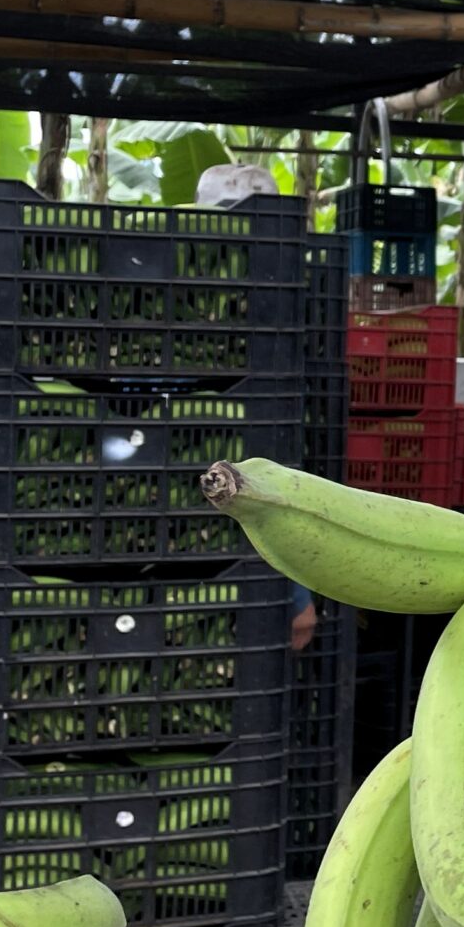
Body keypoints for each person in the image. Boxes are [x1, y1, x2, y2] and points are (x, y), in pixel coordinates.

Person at [197, 162, 320, 653]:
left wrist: (297, 595)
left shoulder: (289, 303)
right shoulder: (187, 297)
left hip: (257, 501)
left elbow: (283, 461)